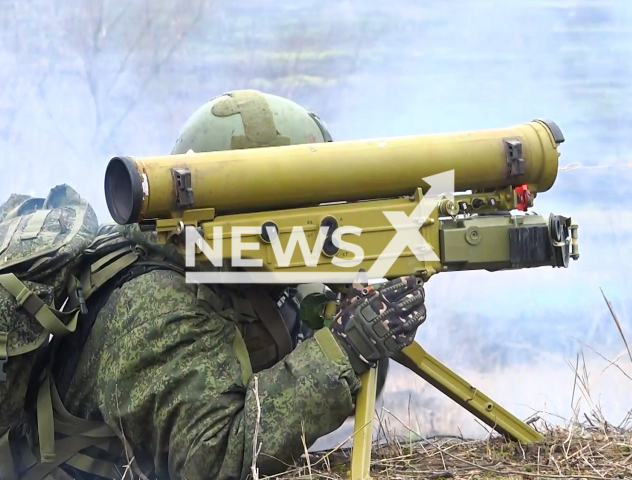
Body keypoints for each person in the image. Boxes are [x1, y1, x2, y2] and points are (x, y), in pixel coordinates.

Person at [17, 90, 428, 480]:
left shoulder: (243, 269)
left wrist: (351, 321)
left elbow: (349, 397)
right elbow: (215, 460)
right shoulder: (157, 309)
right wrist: (346, 346)